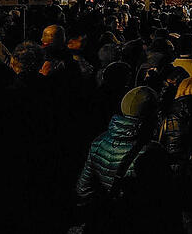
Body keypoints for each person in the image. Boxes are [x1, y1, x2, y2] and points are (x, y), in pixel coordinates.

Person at [76, 86, 177, 233]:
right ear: (152, 115)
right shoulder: (152, 152)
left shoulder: (99, 142)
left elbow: (83, 189)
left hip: (110, 220)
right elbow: (163, 200)